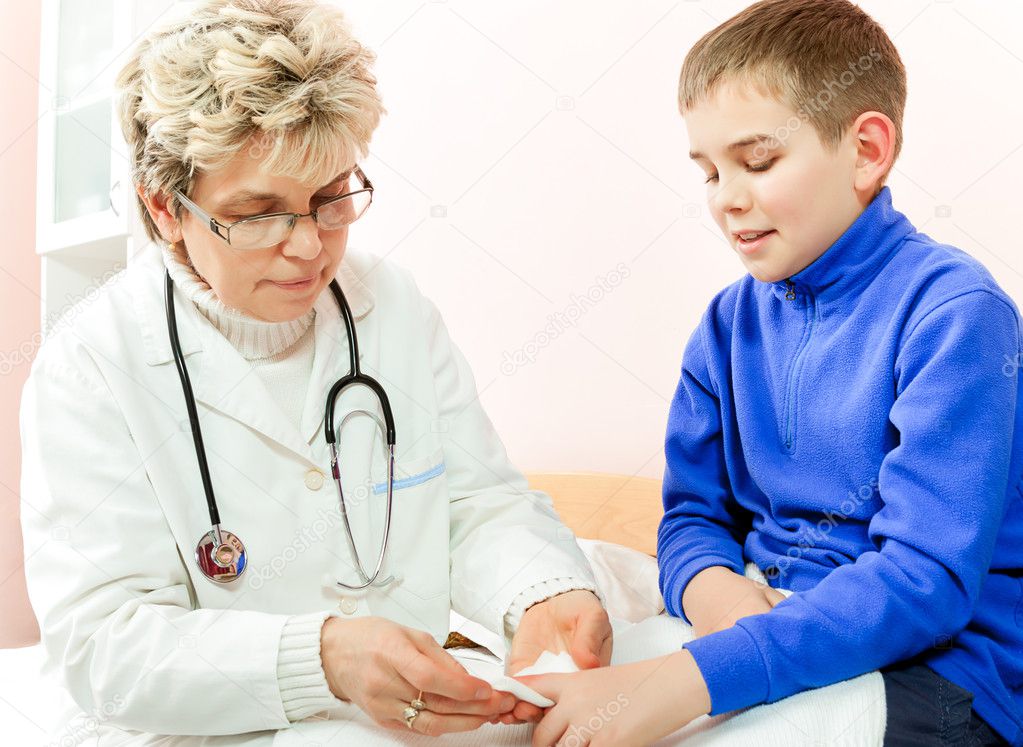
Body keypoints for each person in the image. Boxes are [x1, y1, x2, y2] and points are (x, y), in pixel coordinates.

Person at [18, 1, 611, 743]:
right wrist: (320, 655)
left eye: (330, 198)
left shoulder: (390, 304)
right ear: (164, 209)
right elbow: (102, 647)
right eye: (258, 213)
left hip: (396, 723)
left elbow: (479, 503)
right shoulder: (90, 363)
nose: (308, 248)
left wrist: (540, 590)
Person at [520, 1, 1022, 745]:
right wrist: (714, 592)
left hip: (938, 671)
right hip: (763, 624)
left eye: (757, 162)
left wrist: (694, 678)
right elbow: (692, 517)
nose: (726, 196)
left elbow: (924, 583)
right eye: (709, 170)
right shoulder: (726, 325)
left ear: (866, 150)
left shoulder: (955, 314)